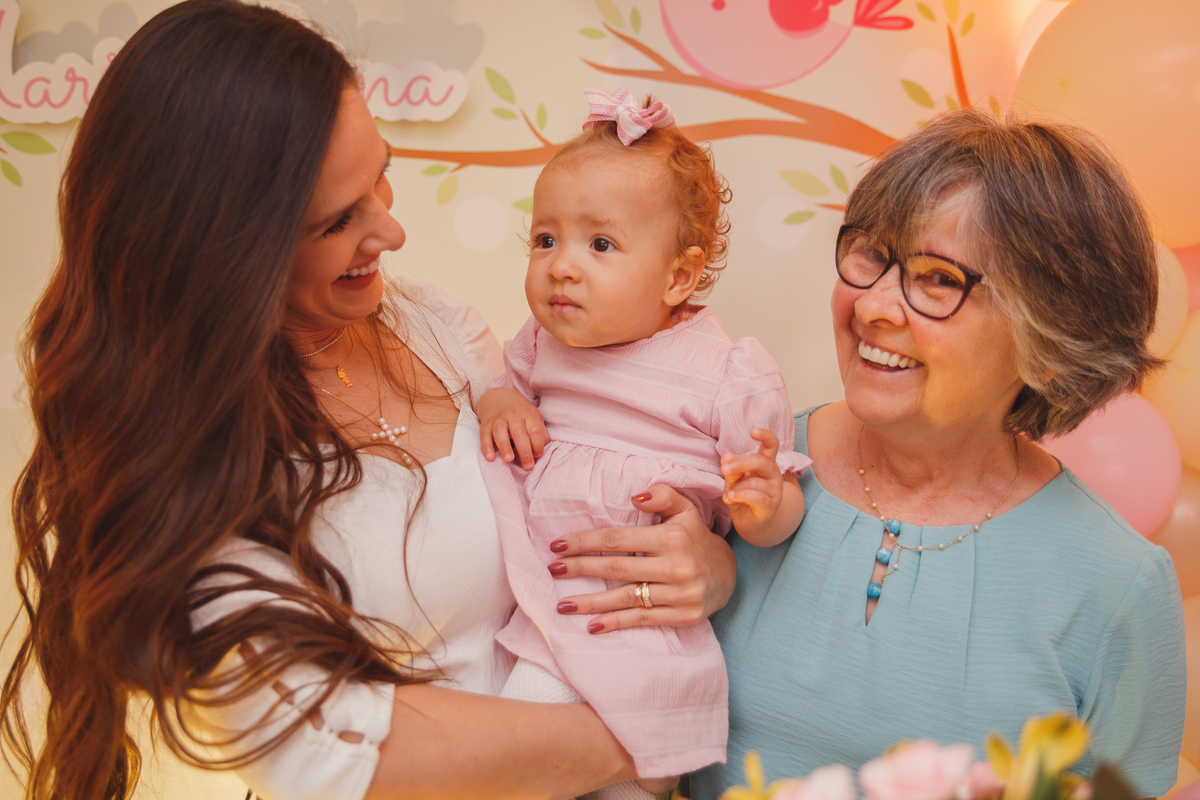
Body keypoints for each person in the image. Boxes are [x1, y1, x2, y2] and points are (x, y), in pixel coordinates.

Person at [0, 3, 738, 799]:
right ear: (223, 253)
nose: (391, 230)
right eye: (336, 221)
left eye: (381, 172)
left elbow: (581, 497)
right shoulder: (190, 464)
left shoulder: (437, 326)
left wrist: (706, 568)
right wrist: (646, 731)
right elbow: (326, 748)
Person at [691, 109, 1187, 800]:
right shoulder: (736, 472)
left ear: (1048, 330)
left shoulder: (1117, 585)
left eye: (937, 279)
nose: (873, 307)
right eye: (870, 253)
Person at [475, 88, 810, 797]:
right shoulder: (540, 346)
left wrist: (763, 501)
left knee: (540, 765)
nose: (563, 265)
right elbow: (498, 388)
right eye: (545, 239)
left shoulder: (726, 370)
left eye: (600, 244)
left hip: (635, 620)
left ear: (678, 276)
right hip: (544, 605)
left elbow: (776, 514)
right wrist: (501, 400)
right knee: (522, 745)